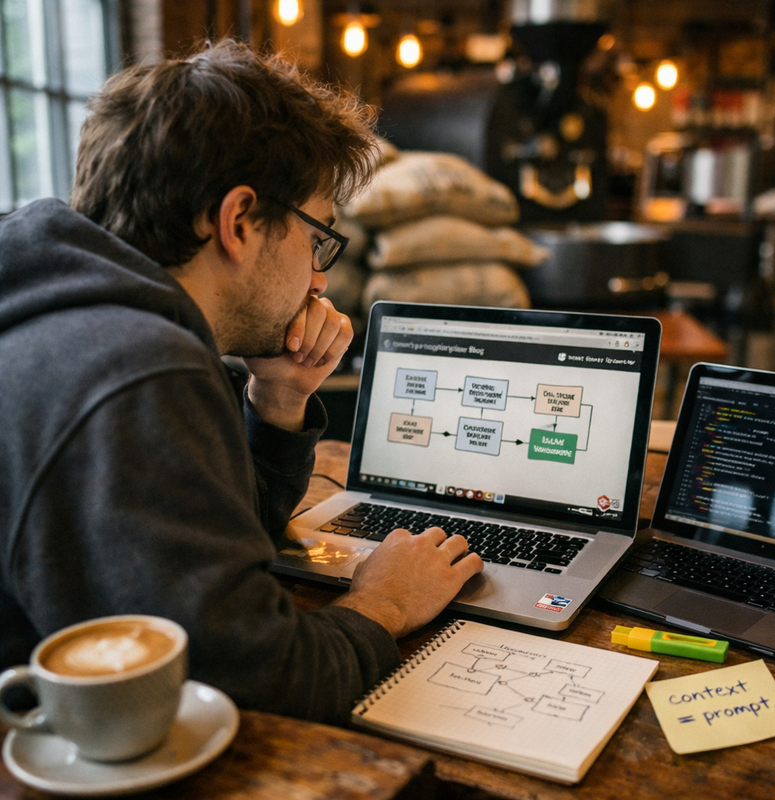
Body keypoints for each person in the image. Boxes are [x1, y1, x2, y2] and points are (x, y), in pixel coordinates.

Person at [0, 39, 483, 723]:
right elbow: (262, 679)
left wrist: (277, 399)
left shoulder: (65, 308)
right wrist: (386, 601)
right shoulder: (138, 367)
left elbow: (205, 562)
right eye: (317, 237)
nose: (319, 277)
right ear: (237, 221)